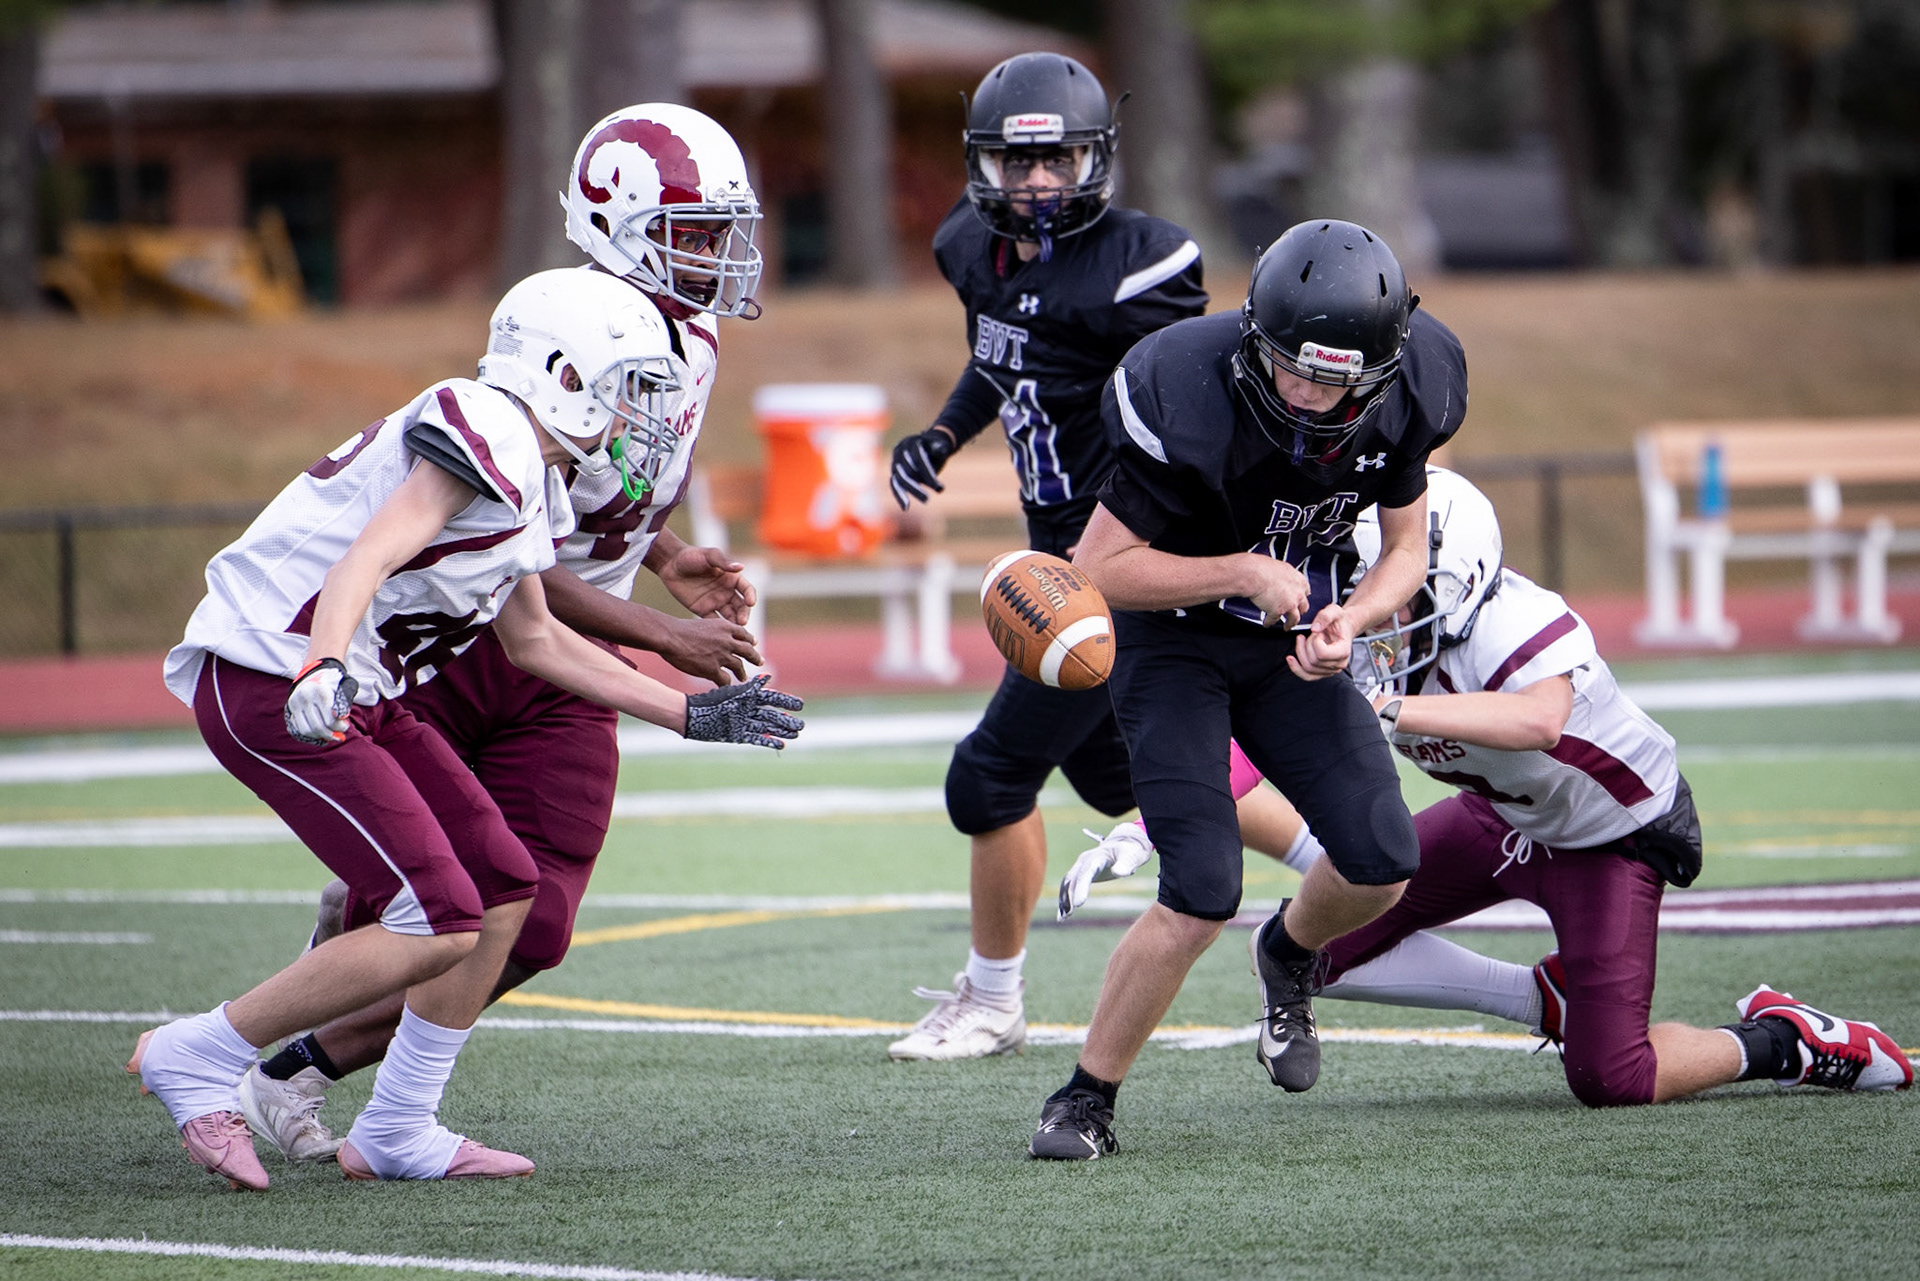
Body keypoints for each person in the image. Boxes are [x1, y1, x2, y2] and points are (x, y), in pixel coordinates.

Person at [132, 267, 803, 1190]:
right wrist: (324, 660)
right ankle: (200, 1051)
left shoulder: (530, 476)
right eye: (622, 386)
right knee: (438, 917)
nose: (633, 412)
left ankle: (401, 1124)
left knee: (500, 884)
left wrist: (687, 712)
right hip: (274, 674)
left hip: (352, 683)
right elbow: (372, 549)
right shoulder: (485, 423)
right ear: (564, 374)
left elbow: (536, 641)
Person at [235, 104, 780, 1165]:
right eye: (695, 232)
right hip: (474, 636)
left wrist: (665, 555)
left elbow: (606, 489)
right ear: (615, 219)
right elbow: (519, 550)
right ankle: (301, 1044)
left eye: (723, 232)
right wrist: (662, 637)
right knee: (445, 895)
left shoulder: (693, 338)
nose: (718, 257)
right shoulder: (575, 323)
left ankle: (307, 1072)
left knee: (534, 926)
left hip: (571, 657)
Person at [1063, 467, 1914, 1104]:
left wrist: (1388, 711)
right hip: (1498, 816)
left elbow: (1539, 720)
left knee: (1613, 1076)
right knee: (1316, 940)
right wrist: (1146, 828)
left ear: (1456, 581)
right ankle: (1536, 995)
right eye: (1362, 593)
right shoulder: (1362, 635)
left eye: (1393, 597)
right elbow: (1244, 747)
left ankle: (1782, 1040)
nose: (1371, 614)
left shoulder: (1519, 621)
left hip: (1611, 837)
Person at [1027, 218, 1467, 1159]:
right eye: (1287, 366)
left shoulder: (1412, 390)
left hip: (1287, 645)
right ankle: (1084, 1098)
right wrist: (1238, 570)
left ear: (1381, 368)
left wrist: (1355, 619)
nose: (1304, 393)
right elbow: (1096, 569)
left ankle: (1291, 953)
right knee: (1200, 888)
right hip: (1173, 646)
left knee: (1385, 856)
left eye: (1329, 376)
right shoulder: (1183, 385)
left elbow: (1404, 550)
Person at [883, 51, 1209, 1061]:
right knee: (1128, 784)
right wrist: (943, 432)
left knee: (986, 780)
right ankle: (1350, 861)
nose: (1034, 184)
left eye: (1056, 162)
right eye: (1015, 165)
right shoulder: (969, 251)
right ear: (983, 165)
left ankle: (992, 1000)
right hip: (1055, 554)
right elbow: (1005, 352)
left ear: (1093, 159)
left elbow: (1183, 413)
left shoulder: (1143, 264)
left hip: (1111, 564)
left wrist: (1125, 555)